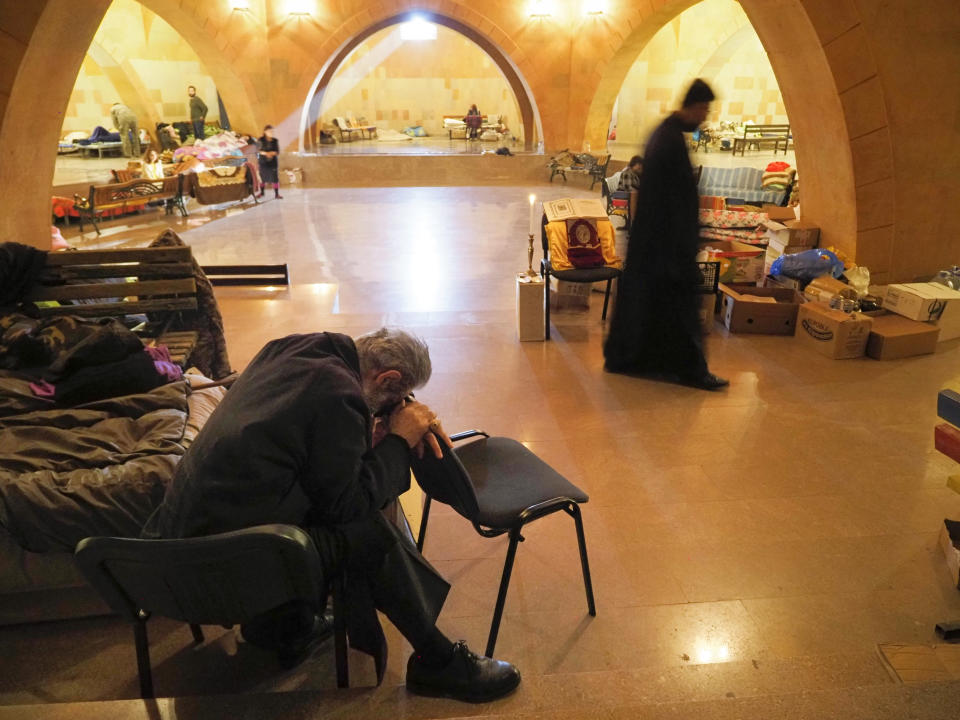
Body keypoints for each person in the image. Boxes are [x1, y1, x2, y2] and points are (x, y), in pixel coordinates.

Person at [142, 328, 521, 703]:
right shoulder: (340, 394)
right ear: (387, 377)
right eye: (395, 398)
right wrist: (398, 441)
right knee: (364, 530)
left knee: (354, 515)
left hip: (168, 544)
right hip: (216, 568)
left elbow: (306, 451)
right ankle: (436, 661)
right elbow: (345, 505)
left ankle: (283, 626)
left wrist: (369, 441)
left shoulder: (293, 349)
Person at [603, 79, 729, 391]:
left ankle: (632, 359)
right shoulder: (668, 140)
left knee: (650, 307)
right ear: (692, 106)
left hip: (656, 245)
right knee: (681, 310)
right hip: (666, 246)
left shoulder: (667, 134)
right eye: (704, 109)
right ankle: (693, 371)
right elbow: (670, 201)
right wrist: (682, 245)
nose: (705, 116)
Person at [257, 125, 282, 199]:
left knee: (275, 178)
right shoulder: (260, 140)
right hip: (263, 162)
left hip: (273, 162)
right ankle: (262, 192)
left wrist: (272, 153)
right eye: (269, 131)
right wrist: (266, 153)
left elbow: (277, 151)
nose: (271, 133)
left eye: (272, 131)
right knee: (262, 178)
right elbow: (258, 150)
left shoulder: (275, 140)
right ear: (265, 132)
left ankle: (277, 194)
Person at [617, 155, 644, 223]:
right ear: (634, 164)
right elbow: (628, 188)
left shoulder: (634, 173)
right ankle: (634, 222)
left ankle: (632, 223)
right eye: (639, 164)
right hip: (621, 196)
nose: (640, 167)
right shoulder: (627, 172)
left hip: (629, 196)